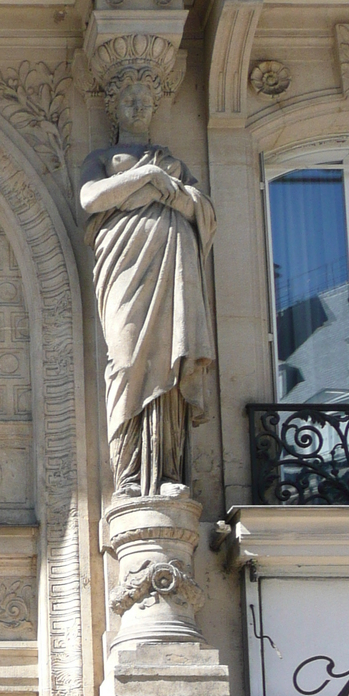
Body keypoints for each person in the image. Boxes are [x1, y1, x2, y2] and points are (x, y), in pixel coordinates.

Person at [79, 75, 216, 498]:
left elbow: (203, 209)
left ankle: (167, 474)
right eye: (130, 98)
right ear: (114, 107)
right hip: (123, 265)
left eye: (145, 99)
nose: (138, 106)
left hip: (174, 270)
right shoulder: (103, 156)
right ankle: (128, 477)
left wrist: (169, 190)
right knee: (125, 359)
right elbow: (89, 198)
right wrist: (150, 177)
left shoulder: (173, 161)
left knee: (169, 363)